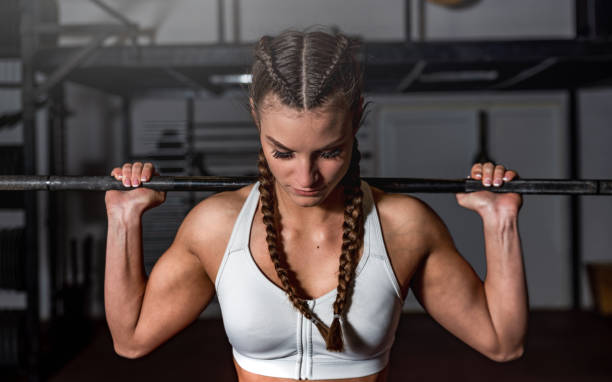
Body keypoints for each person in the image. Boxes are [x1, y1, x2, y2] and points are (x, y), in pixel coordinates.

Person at [104, 29, 527, 381]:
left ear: (356, 116)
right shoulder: (215, 227)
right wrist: (123, 219)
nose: (306, 179)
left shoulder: (403, 226)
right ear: (256, 117)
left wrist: (500, 221)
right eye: (284, 153)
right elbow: (132, 339)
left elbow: (502, 342)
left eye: (329, 152)